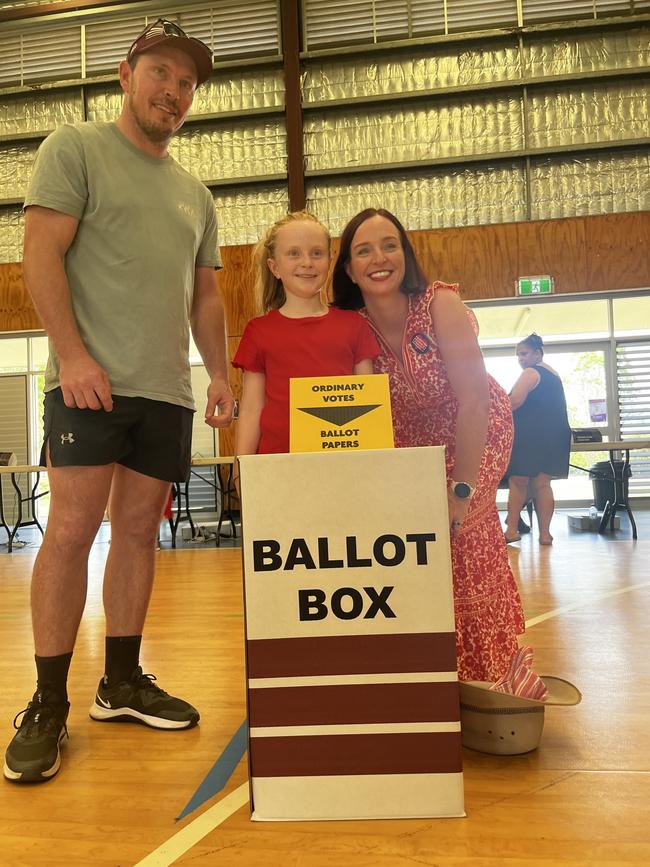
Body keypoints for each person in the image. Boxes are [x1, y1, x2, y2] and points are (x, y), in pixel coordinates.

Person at [4, 19, 235, 784]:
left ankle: (121, 681)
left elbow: (206, 297)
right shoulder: (75, 148)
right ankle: (46, 701)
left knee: (138, 534)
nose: (174, 90)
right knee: (70, 532)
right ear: (125, 73)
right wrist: (71, 354)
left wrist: (221, 374)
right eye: (161, 73)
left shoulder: (196, 194)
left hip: (164, 390)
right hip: (87, 383)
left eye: (187, 82)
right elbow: (41, 252)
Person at [332, 208, 525, 682]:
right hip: (411, 450)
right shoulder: (349, 325)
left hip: (475, 430)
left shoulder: (439, 303)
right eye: (364, 250)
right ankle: (431, 680)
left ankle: (488, 678)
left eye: (390, 244)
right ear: (350, 269)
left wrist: (461, 489)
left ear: (406, 253)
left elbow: (475, 399)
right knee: (417, 555)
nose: (379, 258)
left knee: (463, 540)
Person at [232, 211, 379, 461]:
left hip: (345, 465)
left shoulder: (355, 325)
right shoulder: (258, 331)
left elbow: (368, 404)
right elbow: (251, 410)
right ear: (274, 267)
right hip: (277, 468)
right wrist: (240, 471)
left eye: (317, 253)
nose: (307, 262)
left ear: (330, 260)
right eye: (294, 253)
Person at [504, 333, 571, 546]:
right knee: (543, 483)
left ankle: (511, 530)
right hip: (555, 435)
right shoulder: (553, 373)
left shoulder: (531, 373)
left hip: (532, 434)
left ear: (537, 353)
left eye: (524, 354)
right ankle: (545, 534)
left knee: (518, 481)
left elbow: (514, 401)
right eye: (518, 356)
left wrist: (492, 409)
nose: (520, 359)